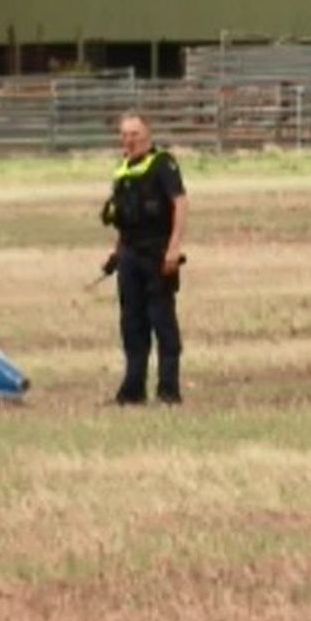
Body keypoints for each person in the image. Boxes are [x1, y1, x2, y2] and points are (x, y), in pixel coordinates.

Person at [100, 112, 189, 405]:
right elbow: (124, 218)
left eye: (135, 134)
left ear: (147, 135)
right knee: (132, 324)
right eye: (124, 134)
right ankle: (132, 391)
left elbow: (180, 203)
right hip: (129, 256)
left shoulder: (163, 163)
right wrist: (116, 254)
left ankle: (168, 391)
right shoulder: (123, 170)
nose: (129, 140)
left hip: (157, 254)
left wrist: (174, 248)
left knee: (162, 321)